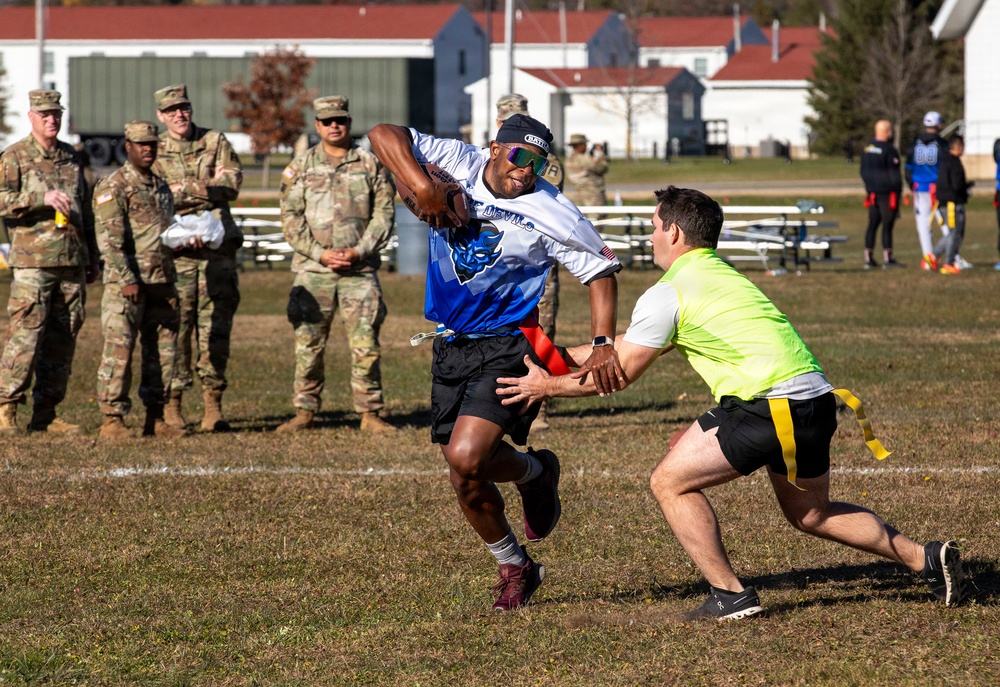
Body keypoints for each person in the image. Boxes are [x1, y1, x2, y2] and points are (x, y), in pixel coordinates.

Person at [498, 185, 969, 620]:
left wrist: (546, 388)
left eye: (655, 225)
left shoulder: (669, 292)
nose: (652, 235)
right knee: (812, 513)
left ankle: (730, 594)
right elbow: (628, 345)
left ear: (674, 231)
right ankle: (923, 557)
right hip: (814, 401)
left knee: (669, 482)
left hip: (767, 406)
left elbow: (617, 374)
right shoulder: (717, 276)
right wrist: (552, 357)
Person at [368, 114, 625, 611]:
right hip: (451, 342)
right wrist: (423, 187)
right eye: (518, 155)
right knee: (463, 475)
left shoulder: (556, 211)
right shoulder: (458, 162)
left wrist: (602, 341)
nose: (527, 169)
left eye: (538, 162)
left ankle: (532, 472)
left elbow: (601, 271)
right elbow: (382, 135)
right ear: (492, 148)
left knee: (467, 454)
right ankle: (516, 560)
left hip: (510, 342)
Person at [275, 96, 396, 434]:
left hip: (359, 272)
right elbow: (290, 218)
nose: (334, 126)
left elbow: (384, 215)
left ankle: (370, 413)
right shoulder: (300, 167)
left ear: (348, 122)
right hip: (314, 272)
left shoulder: (370, 164)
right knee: (308, 344)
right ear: (317, 126)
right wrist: (320, 253)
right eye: (327, 121)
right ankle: (305, 410)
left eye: (340, 120)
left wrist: (359, 251)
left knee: (366, 345)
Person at [0, 90, 100, 434]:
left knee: (63, 338)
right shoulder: (15, 156)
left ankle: (46, 412)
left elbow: (84, 209)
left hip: (70, 260)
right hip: (33, 262)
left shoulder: (72, 157)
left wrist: (91, 257)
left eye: (56, 114)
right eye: (44, 114)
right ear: (31, 117)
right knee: (26, 336)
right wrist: (39, 198)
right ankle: (6, 409)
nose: (51, 120)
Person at [152, 84, 243, 432]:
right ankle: (172, 404)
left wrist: (182, 190)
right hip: (175, 259)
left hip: (215, 257)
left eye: (184, 107)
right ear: (161, 115)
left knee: (215, 331)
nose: (179, 114)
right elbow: (153, 198)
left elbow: (231, 184)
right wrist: (204, 188)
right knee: (175, 330)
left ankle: (212, 405)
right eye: (171, 109)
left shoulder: (215, 142)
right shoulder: (155, 149)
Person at [92, 121, 186, 439]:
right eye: (141, 144)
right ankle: (112, 420)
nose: (148, 149)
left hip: (161, 281)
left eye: (152, 144)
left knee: (163, 351)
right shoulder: (113, 186)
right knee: (120, 349)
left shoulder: (159, 186)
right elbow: (110, 240)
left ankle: (155, 417)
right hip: (127, 285)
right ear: (128, 147)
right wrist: (126, 278)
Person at [494, 93, 563, 432]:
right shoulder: (481, 160)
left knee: (539, 334)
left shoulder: (542, 163)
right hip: (489, 268)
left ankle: (540, 405)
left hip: (534, 268)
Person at [904, 112, 947, 271]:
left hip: (919, 188)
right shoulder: (942, 144)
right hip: (937, 188)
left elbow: (908, 168)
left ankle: (928, 258)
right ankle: (952, 256)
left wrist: (911, 184)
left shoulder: (915, 143)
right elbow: (946, 166)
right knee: (946, 224)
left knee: (923, 225)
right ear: (938, 125)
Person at [859, 120, 903, 269]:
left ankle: (868, 258)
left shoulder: (867, 148)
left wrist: (869, 187)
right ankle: (888, 258)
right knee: (887, 225)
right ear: (887, 132)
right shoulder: (889, 150)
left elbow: (863, 170)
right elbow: (894, 175)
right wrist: (898, 192)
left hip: (872, 192)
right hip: (887, 193)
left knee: (872, 224)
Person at [933, 135, 973, 275]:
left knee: (952, 233)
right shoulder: (955, 163)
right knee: (955, 234)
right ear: (958, 147)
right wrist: (967, 188)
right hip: (953, 204)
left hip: (943, 202)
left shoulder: (943, 161)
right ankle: (948, 263)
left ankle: (933, 257)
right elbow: (957, 185)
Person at [565, 134, 609, 210]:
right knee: (597, 220)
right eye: (585, 144)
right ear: (580, 145)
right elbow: (602, 168)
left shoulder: (569, 161)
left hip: (578, 195)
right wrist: (600, 155)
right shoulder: (585, 159)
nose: (586, 147)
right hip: (593, 196)